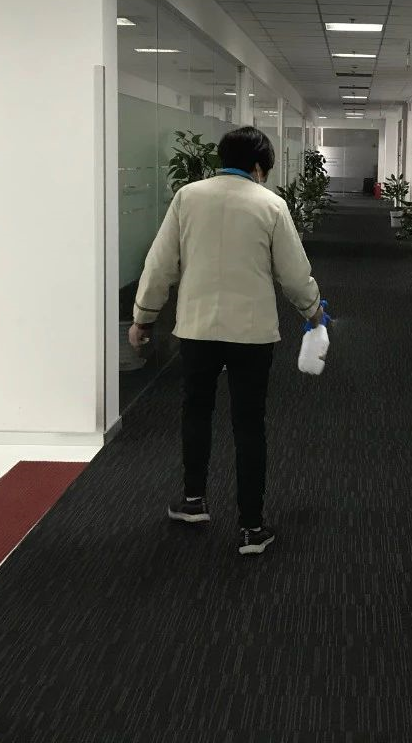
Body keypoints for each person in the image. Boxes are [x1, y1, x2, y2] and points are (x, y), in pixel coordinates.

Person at [128, 126, 323, 556]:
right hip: (252, 333)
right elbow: (294, 273)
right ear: (258, 167)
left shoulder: (187, 197)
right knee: (249, 423)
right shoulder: (271, 205)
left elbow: (160, 265)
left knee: (196, 411)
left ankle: (193, 501)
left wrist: (143, 317)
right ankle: (251, 527)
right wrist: (313, 311)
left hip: (197, 328)